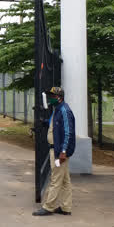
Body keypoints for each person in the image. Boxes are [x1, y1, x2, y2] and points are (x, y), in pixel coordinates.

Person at [33, 86, 76, 216]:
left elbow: (68, 133)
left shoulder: (64, 111)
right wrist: (44, 122)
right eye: (49, 96)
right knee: (64, 180)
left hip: (59, 152)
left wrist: (63, 152)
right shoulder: (57, 110)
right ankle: (66, 207)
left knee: (55, 179)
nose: (50, 98)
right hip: (57, 150)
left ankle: (48, 207)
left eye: (52, 96)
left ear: (59, 97)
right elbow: (54, 124)